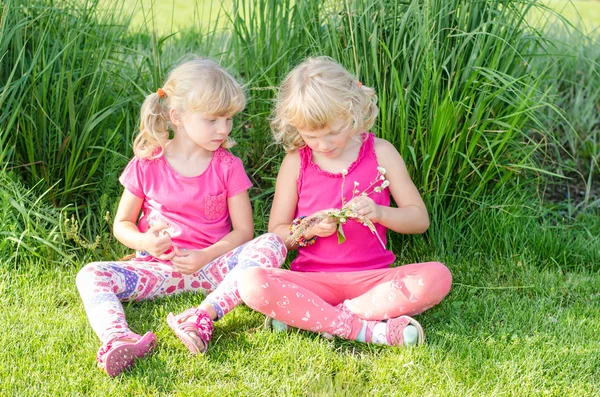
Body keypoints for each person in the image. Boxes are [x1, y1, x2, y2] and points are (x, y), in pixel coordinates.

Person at [76, 57, 286, 377]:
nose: (224, 128)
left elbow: (244, 231)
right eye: (213, 119)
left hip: (214, 269)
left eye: (228, 119)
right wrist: (145, 241)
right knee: (90, 274)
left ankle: (202, 315)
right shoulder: (147, 163)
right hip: (159, 271)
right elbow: (122, 224)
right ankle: (117, 336)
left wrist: (205, 255)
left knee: (271, 242)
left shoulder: (227, 166)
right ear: (178, 117)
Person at [238, 56, 451, 347]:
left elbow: (418, 220)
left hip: (373, 280)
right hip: (313, 282)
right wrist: (310, 228)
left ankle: (317, 318)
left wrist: (379, 212)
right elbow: (277, 233)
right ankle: (361, 328)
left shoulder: (381, 152)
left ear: (351, 111)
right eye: (312, 136)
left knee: (437, 276)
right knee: (252, 282)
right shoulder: (295, 163)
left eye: (333, 133)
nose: (324, 144)